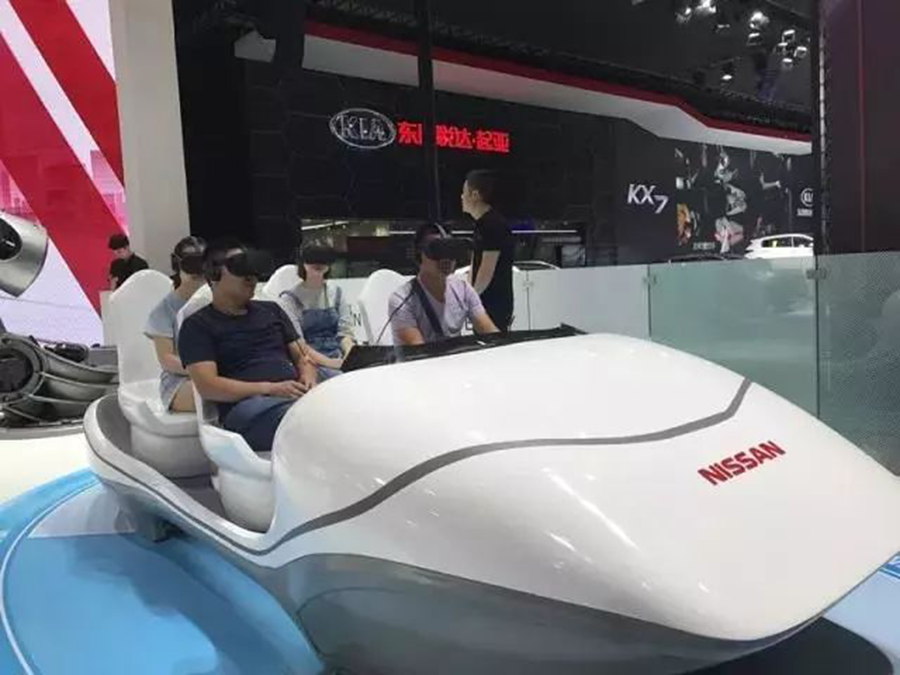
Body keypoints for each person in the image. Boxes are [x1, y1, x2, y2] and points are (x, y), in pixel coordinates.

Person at [178, 241, 317, 453]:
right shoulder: (197, 326)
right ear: (214, 275)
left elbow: (302, 357)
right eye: (240, 267)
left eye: (251, 267)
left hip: (296, 395)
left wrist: (309, 375)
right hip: (250, 408)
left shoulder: (272, 310)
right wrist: (270, 389)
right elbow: (208, 386)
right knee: (311, 422)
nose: (251, 276)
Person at [389, 223, 499, 346]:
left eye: (451, 250)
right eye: (437, 250)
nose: (446, 259)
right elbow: (418, 351)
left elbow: (491, 335)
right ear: (419, 254)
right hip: (420, 358)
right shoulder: (402, 300)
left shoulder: (463, 290)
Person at [143, 236, 207, 413]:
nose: (198, 273)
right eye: (191, 265)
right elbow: (167, 359)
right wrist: (205, 370)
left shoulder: (217, 301)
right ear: (177, 266)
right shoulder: (164, 310)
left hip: (218, 375)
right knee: (216, 393)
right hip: (179, 382)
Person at [278, 245, 355, 381]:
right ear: (303, 264)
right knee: (341, 380)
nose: (318, 264)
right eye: (312, 260)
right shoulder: (289, 299)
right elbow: (298, 344)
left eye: (323, 261)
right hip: (309, 361)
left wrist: (350, 356)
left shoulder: (336, 292)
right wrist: (329, 363)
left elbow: (344, 333)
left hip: (338, 354)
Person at [462, 170, 515, 331]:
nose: (461, 197)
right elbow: (475, 265)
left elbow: (486, 270)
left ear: (475, 195)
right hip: (483, 303)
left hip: (494, 305)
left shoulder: (493, 225)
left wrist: (470, 299)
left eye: (464, 192)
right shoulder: (481, 224)